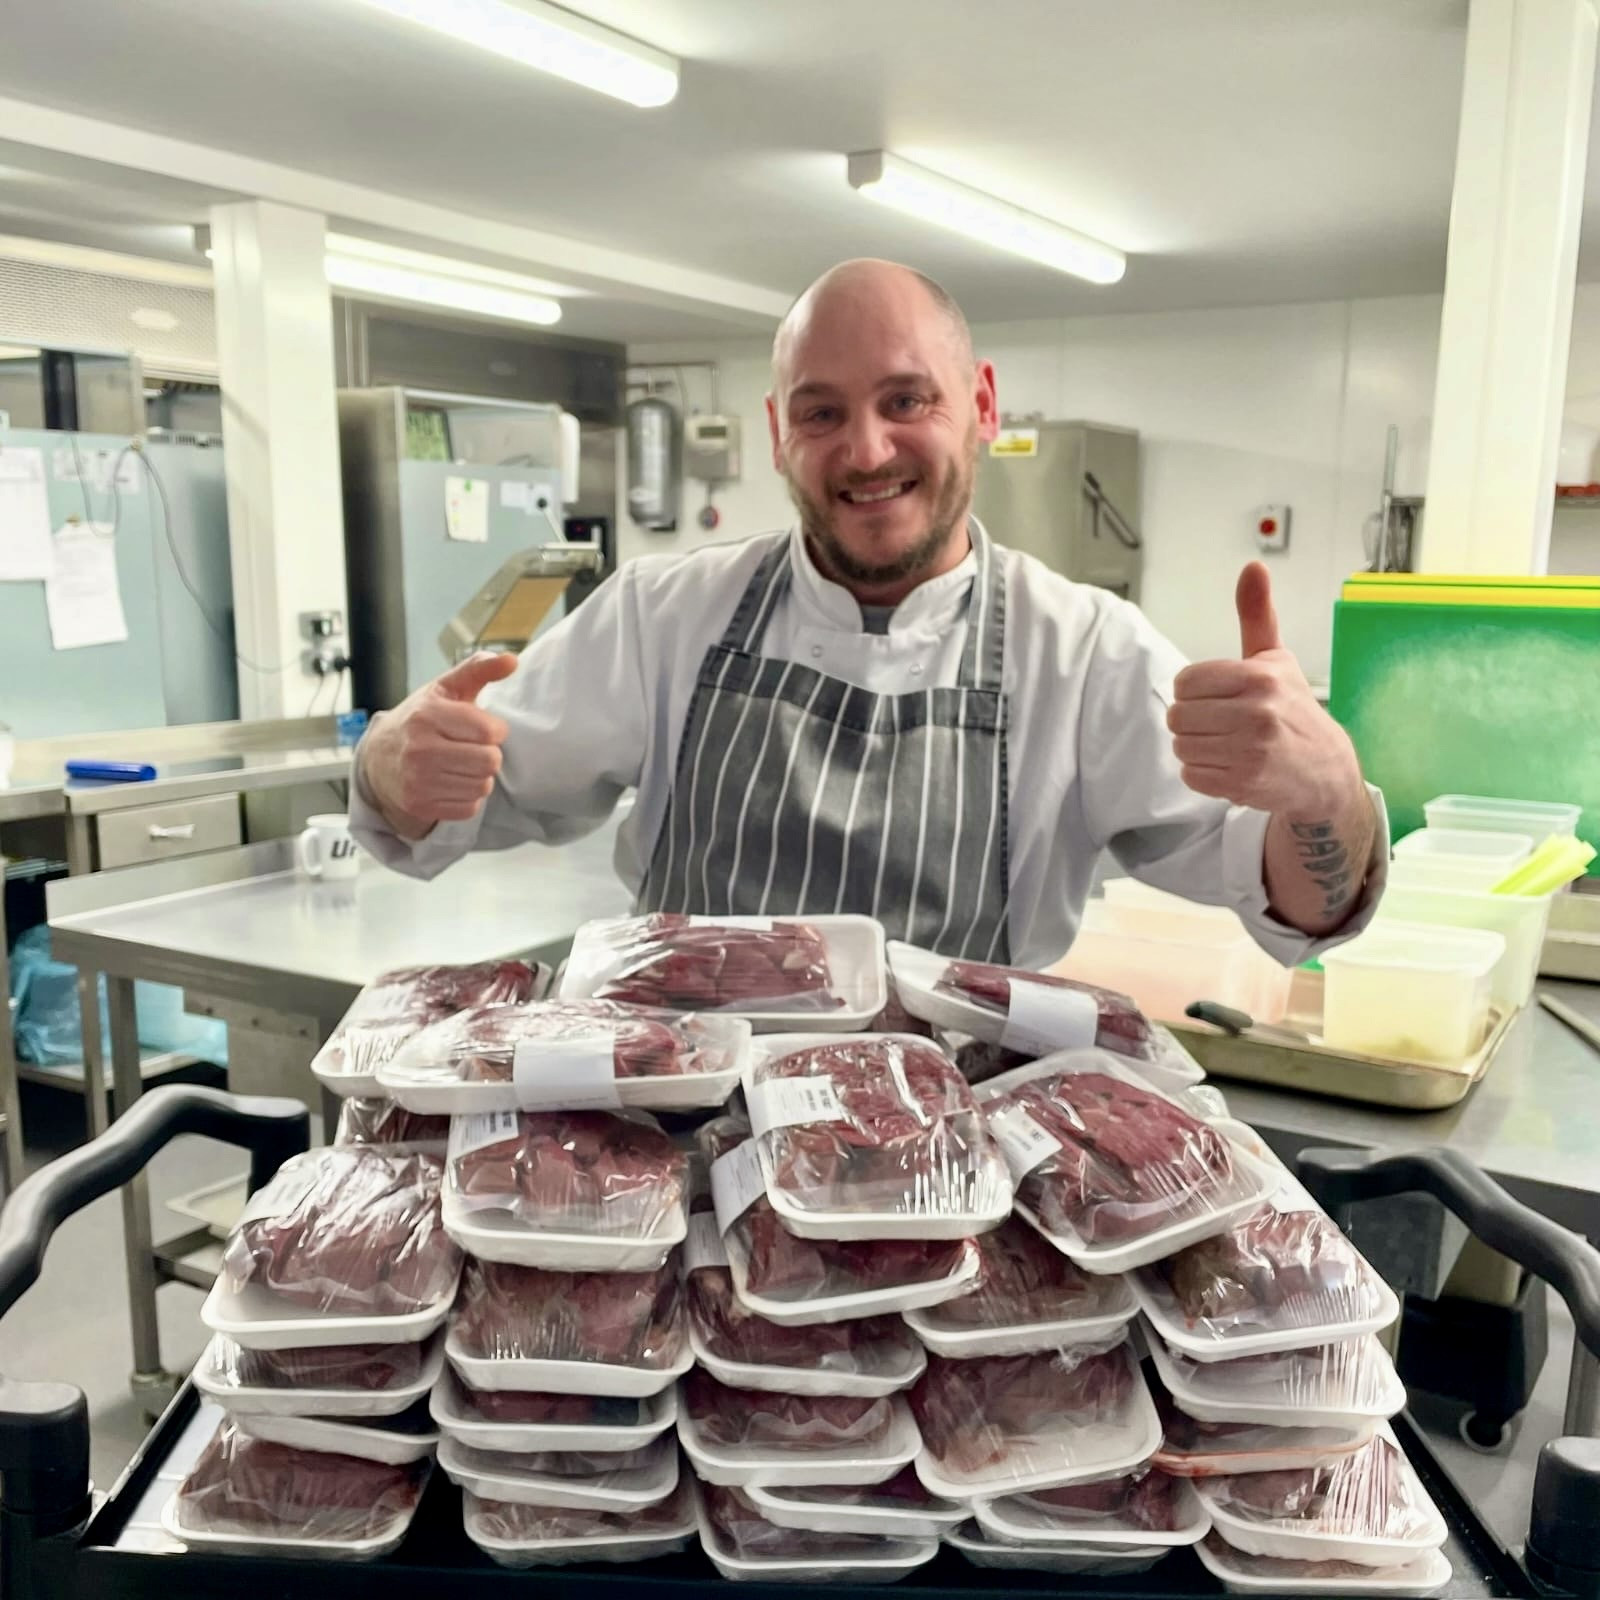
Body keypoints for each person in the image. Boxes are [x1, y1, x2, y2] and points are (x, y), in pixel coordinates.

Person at [350, 258, 1385, 969]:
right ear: (776, 433)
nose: (867, 450)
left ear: (980, 405)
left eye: (905, 400)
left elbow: (1293, 898)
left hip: (961, 1187)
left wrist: (1324, 792)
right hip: (695, 1155)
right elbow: (465, 792)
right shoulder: (663, 615)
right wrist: (394, 763)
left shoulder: (1082, 652)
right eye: (822, 412)